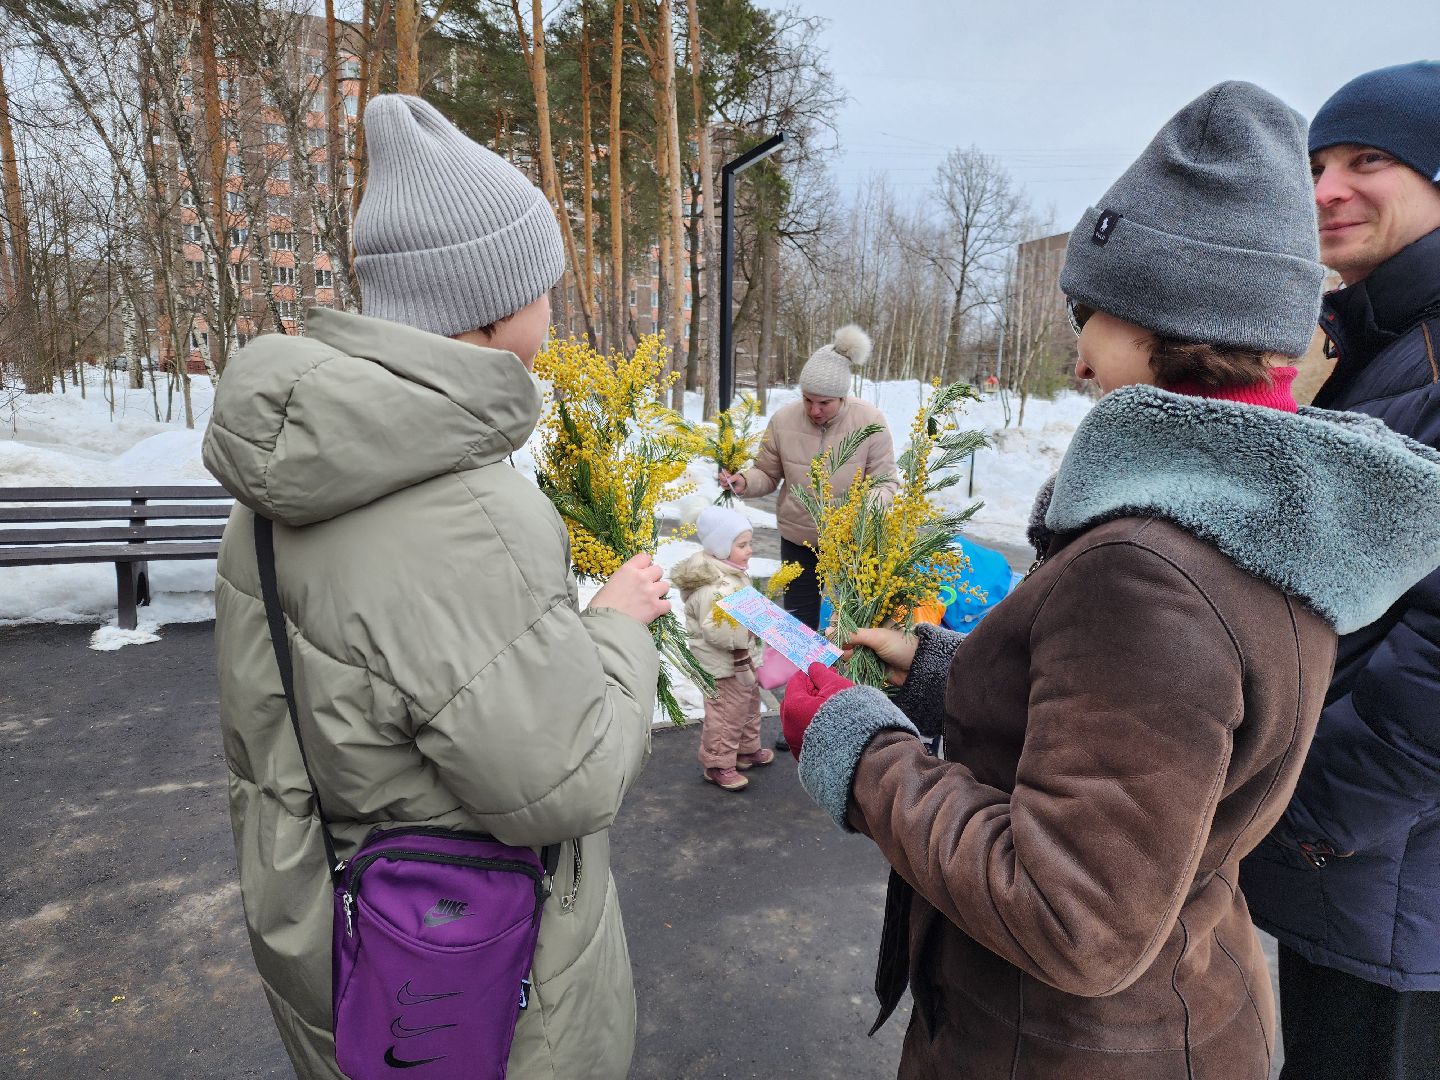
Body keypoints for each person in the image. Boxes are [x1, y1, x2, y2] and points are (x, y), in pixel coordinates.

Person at [778, 81, 1440, 1079]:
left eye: (1090, 317)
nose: (1080, 363)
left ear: (1161, 323)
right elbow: (1148, 738)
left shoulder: (1148, 569)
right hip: (1166, 1013)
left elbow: (1072, 913)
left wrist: (859, 748)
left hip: (1066, 1048)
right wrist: (941, 673)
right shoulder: (1263, 519)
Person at [202, 95, 666, 1080]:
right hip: (473, 986)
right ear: (493, 305)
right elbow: (566, 778)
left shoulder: (286, 478)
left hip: (331, 937)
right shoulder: (462, 516)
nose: (555, 310)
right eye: (545, 287)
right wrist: (619, 629)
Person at [1239, 61, 1440, 1080]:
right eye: (1317, 165)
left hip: (1389, 865)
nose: (1325, 189)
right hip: (1357, 855)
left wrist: (1314, 813)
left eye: (1369, 160)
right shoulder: (1372, 342)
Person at [719, 323, 897, 635]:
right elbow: (767, 473)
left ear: (842, 396)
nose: (814, 410)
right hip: (798, 538)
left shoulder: (871, 422)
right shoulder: (783, 420)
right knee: (799, 623)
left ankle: (845, 680)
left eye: (824, 402)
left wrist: (864, 512)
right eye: (807, 400)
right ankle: (802, 678)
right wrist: (745, 482)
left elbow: (885, 482)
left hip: (852, 542)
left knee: (851, 625)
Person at [671, 505, 773, 792]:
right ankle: (717, 763)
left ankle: (745, 749)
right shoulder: (711, 588)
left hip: (741, 661)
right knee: (726, 714)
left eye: (749, 543)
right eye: (742, 545)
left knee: (748, 705)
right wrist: (752, 627)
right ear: (719, 547)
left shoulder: (732, 573)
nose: (750, 550)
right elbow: (717, 629)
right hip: (723, 665)